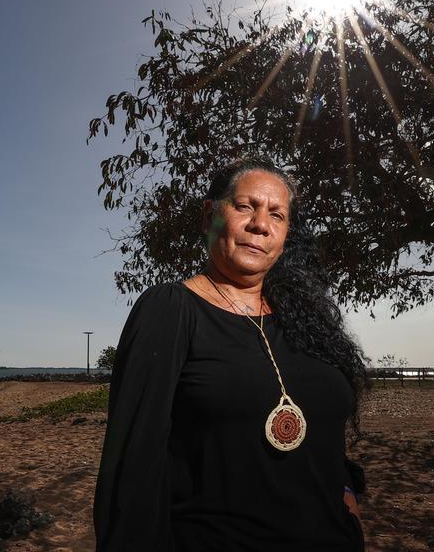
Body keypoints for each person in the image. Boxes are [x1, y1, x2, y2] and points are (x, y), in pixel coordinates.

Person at [94, 158, 368, 551]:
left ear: (286, 234)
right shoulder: (170, 310)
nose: (261, 224)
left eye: (277, 215)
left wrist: (348, 494)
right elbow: (131, 471)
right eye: (245, 207)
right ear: (209, 216)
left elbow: (328, 433)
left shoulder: (306, 321)